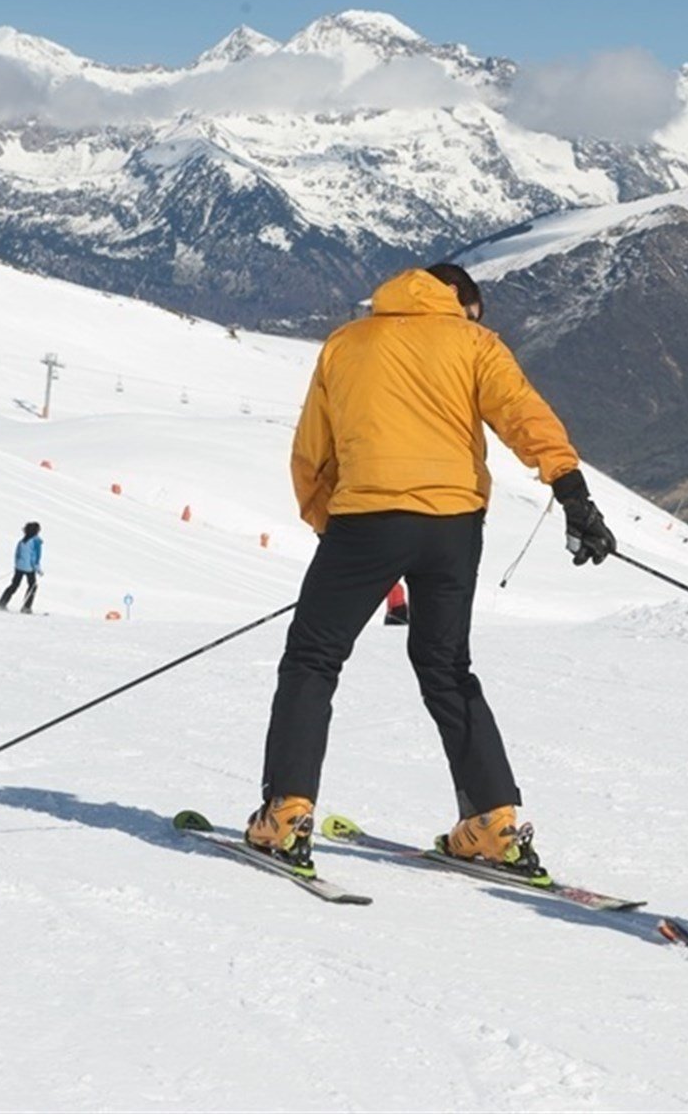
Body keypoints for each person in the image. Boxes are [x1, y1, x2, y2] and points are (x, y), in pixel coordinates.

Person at [246, 263, 616, 878]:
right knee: (448, 668)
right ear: (461, 302)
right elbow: (526, 415)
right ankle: (497, 824)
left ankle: (285, 814)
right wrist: (572, 494)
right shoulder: (475, 344)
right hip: (455, 526)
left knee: (314, 657)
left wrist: (330, 535)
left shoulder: (347, 342)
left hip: (366, 520)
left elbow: (314, 449)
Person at [0, 521, 43, 613]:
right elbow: (35, 557)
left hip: (19, 567)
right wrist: (38, 569)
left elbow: (17, 554)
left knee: (14, 585)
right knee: (32, 586)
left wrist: (17, 565)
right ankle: (26, 607)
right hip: (29, 568)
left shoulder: (22, 541)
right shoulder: (36, 541)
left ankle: (1, 603)